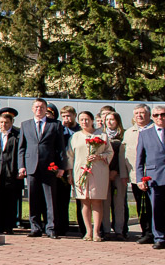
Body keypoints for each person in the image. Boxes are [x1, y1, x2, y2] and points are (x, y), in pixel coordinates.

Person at [17, 97, 67, 238]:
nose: (39, 109)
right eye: (37, 107)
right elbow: (22, 148)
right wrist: (21, 166)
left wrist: (61, 167)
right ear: (33, 109)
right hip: (31, 166)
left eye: (42, 107)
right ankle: (35, 227)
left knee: (50, 199)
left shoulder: (55, 125)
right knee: (33, 198)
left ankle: (51, 228)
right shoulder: (25, 125)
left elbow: (60, 148)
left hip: (49, 167)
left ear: (46, 109)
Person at [66, 111, 113, 241]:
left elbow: (110, 153)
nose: (84, 122)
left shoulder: (102, 136)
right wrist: (70, 173)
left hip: (98, 171)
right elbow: (70, 156)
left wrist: (100, 156)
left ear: (92, 120)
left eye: (87, 119)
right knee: (84, 201)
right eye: (81, 120)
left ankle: (97, 231)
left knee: (97, 201)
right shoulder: (75, 137)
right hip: (80, 172)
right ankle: (88, 231)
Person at [135, 105, 165, 250]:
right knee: (157, 209)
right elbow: (139, 159)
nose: (160, 117)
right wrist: (140, 178)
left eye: (163, 114)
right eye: (157, 115)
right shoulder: (145, 134)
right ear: (152, 117)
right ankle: (160, 237)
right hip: (154, 177)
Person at [124, 104, 154, 244]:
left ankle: (158, 232)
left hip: (155, 176)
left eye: (142, 113)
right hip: (136, 176)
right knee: (141, 206)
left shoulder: (157, 130)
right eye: (136, 113)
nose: (139, 116)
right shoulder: (129, 132)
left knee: (156, 206)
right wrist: (124, 173)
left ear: (149, 115)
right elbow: (123, 155)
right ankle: (146, 232)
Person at [55, 104, 80, 236]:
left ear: (74, 116)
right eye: (64, 116)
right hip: (62, 168)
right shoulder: (59, 130)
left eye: (69, 116)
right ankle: (61, 225)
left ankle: (83, 226)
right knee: (61, 199)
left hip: (78, 166)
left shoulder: (80, 130)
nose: (66, 119)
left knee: (80, 198)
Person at [102, 111, 128, 240]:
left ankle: (119, 230)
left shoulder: (123, 136)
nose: (109, 122)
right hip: (104, 173)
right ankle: (106, 230)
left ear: (117, 121)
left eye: (112, 119)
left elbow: (123, 156)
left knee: (119, 203)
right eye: (107, 119)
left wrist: (116, 171)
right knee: (105, 203)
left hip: (118, 173)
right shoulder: (101, 135)